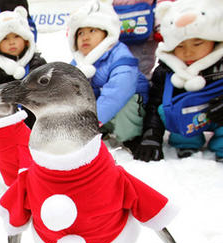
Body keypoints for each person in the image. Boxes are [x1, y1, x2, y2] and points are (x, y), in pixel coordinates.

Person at [133, 0, 223, 162]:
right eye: (180, 46)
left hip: (218, 117)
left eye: (197, 43)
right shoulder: (165, 70)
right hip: (187, 122)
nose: (189, 52)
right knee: (165, 109)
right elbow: (154, 105)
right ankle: (186, 142)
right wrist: (151, 136)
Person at [68, 0, 149, 149]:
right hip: (104, 111)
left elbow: (118, 92)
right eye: (80, 33)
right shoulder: (79, 61)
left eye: (92, 31)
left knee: (128, 103)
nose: (85, 37)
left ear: (106, 33)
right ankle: (101, 128)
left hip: (130, 105)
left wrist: (91, 122)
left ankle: (131, 136)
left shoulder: (120, 55)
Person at [0, 6, 46, 128]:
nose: (12, 42)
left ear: (26, 39)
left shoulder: (36, 62)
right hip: (8, 113)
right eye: (5, 38)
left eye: (16, 36)